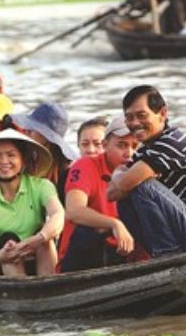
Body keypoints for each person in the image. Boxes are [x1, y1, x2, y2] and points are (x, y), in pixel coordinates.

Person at [107, 86, 186, 257]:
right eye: (129, 118)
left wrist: (122, 175)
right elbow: (112, 194)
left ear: (162, 113)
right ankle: (162, 254)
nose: (135, 123)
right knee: (126, 199)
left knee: (143, 186)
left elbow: (125, 183)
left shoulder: (171, 142)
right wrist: (120, 173)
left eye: (142, 116)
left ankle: (166, 254)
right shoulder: (147, 150)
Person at [0, 129, 64, 276]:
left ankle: (48, 287)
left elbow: (58, 214)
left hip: (32, 257)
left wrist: (36, 240)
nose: (4, 161)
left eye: (11, 155)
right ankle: (20, 290)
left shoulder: (41, 186)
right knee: (9, 240)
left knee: (46, 240)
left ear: (23, 160)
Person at [59, 116, 140, 272]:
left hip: (121, 253)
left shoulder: (140, 169)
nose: (129, 153)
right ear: (106, 146)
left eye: (135, 146)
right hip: (82, 256)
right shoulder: (86, 164)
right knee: (88, 231)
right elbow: (74, 211)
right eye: (122, 145)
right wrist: (114, 224)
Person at [8, 102, 78, 206]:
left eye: (33, 129)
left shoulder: (66, 171)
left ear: (47, 137)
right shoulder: (27, 158)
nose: (26, 131)